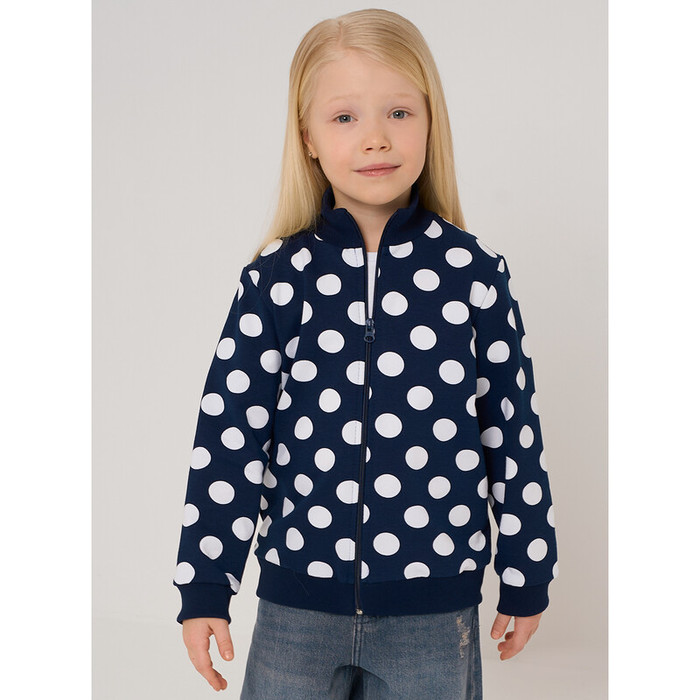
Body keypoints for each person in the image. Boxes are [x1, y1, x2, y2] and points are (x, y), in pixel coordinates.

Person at [172, 8, 558, 698]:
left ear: (431, 122)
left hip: (433, 609)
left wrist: (527, 573)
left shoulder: (473, 275)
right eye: (345, 117)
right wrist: (205, 584)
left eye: (399, 113)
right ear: (308, 138)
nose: (376, 137)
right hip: (297, 605)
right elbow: (230, 438)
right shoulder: (276, 279)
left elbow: (513, 432)